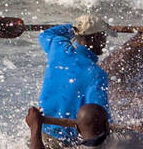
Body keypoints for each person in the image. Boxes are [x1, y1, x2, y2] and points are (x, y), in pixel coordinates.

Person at [38, 13, 112, 141]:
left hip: (40, 130)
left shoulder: (58, 47)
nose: (105, 42)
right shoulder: (96, 74)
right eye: (103, 36)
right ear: (95, 37)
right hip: (65, 141)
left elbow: (46, 34)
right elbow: (99, 117)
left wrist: (75, 28)